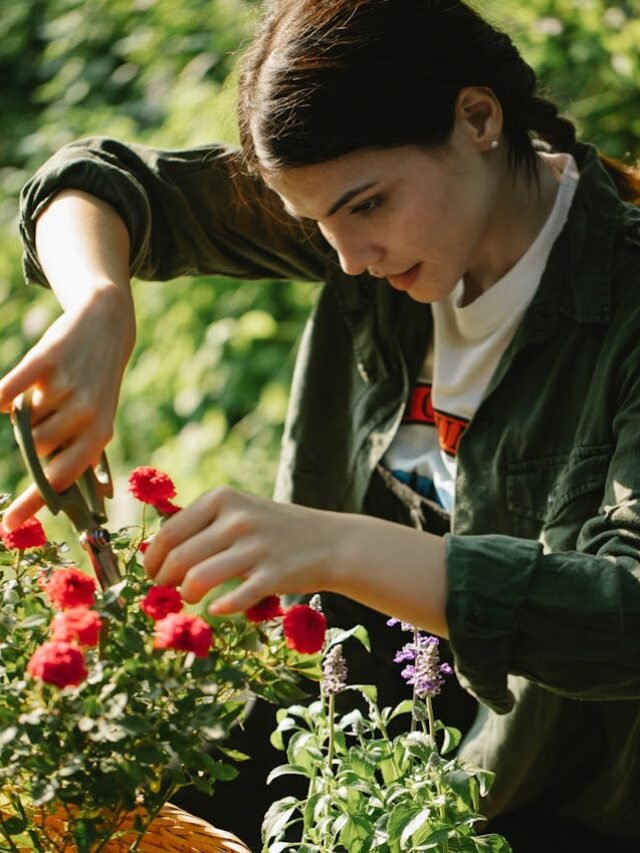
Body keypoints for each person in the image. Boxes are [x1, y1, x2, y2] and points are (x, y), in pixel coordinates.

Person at [2, 0, 640, 848]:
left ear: (478, 118)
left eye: (367, 207)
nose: (347, 259)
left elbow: (622, 618)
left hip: (529, 801)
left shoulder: (624, 301)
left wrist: (334, 547)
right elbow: (92, 179)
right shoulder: (370, 227)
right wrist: (100, 301)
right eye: (315, 226)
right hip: (331, 743)